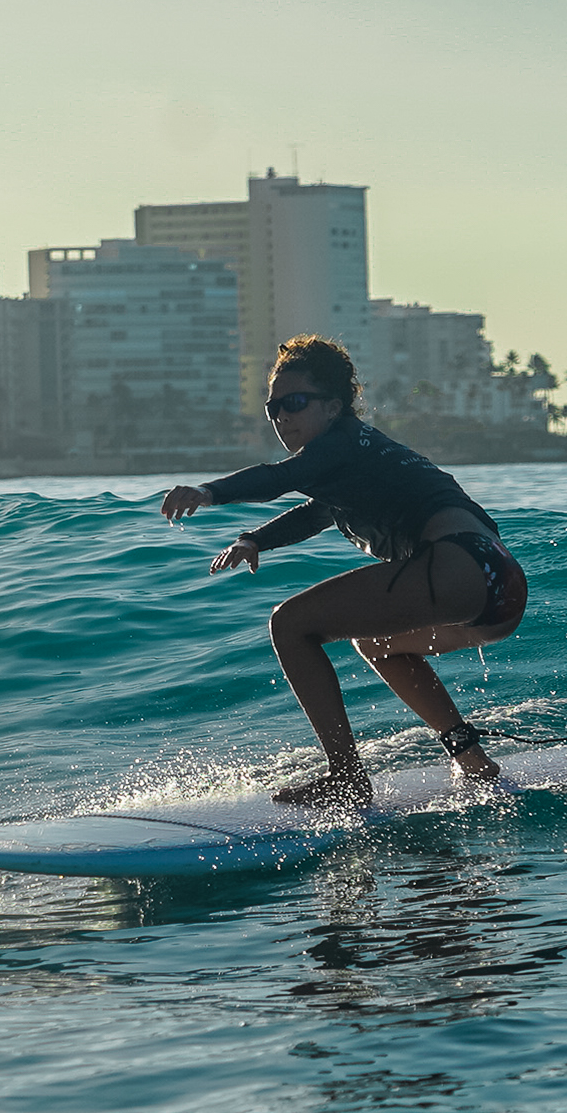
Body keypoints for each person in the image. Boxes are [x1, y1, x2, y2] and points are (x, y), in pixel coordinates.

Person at [158, 334, 530, 807]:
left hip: (460, 564)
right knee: (375, 643)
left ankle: (347, 776)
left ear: (333, 406)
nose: (282, 416)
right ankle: (470, 756)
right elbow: (318, 511)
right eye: (273, 409)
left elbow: (278, 479)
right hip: (499, 583)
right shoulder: (357, 453)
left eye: (294, 402)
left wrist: (208, 493)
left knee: (289, 625)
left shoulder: (338, 445)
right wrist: (255, 540)